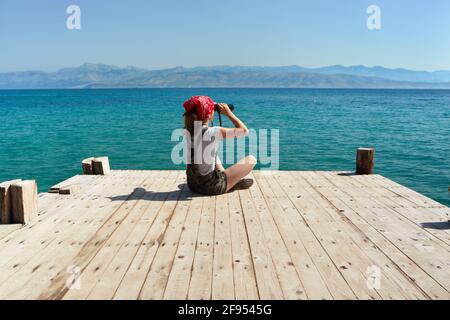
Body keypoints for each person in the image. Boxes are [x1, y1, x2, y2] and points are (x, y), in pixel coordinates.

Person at [183, 96, 256, 195]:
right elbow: (244, 131)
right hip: (212, 187)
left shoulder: (187, 131)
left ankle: (228, 180)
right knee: (251, 159)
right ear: (208, 115)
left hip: (192, 185)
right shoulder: (213, 132)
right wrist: (229, 113)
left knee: (210, 152)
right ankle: (230, 184)